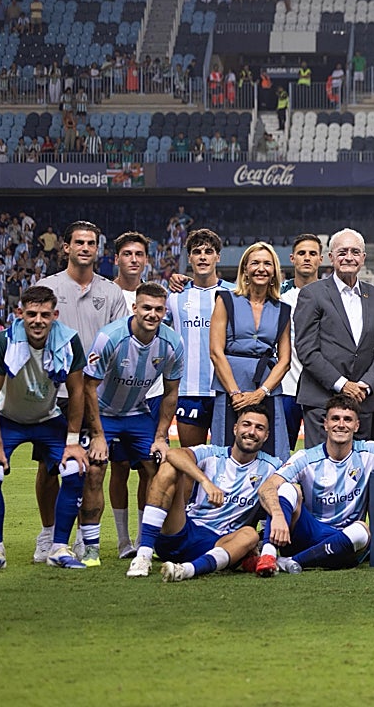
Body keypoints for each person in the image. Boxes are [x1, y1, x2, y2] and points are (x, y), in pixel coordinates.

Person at [35, 220, 129, 561]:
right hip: (53, 394)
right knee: (49, 468)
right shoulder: (47, 287)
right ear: (66, 247)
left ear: (98, 249)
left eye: (91, 243)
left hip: (94, 394)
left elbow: (122, 339)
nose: (85, 248)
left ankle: (77, 538)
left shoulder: (111, 293)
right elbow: (36, 334)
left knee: (89, 471)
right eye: (79, 242)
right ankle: (46, 535)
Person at [0, 286, 90, 571]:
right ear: (20, 314)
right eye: (31, 314)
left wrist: (74, 441)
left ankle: (58, 548)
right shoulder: (4, 341)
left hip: (47, 419)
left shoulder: (68, 341)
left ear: (54, 315)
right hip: (8, 419)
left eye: (44, 314)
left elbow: (77, 392)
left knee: (75, 469)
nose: (37, 320)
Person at [256, 395, 374, 575]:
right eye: (335, 419)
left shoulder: (368, 451)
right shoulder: (306, 458)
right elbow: (267, 487)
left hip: (345, 541)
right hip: (310, 532)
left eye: (347, 420)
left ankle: (292, 562)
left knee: (362, 530)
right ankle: (268, 556)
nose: (341, 424)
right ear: (326, 424)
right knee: (286, 489)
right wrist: (278, 516)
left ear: (356, 425)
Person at [77, 283, 183, 566]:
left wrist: (161, 436)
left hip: (137, 412)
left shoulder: (172, 343)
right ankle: (90, 546)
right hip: (102, 413)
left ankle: (145, 542)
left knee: (157, 468)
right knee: (95, 471)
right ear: (134, 308)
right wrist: (97, 435)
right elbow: (88, 387)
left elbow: (171, 393)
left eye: (158, 309)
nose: (152, 314)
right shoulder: (109, 337)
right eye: (146, 308)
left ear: (165, 311)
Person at [127, 406, 280, 581]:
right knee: (169, 467)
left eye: (259, 428)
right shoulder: (213, 454)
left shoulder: (272, 466)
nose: (251, 432)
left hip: (220, 542)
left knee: (250, 535)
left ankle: (186, 570)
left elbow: (292, 490)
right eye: (246, 425)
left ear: (266, 436)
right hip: (183, 530)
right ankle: (143, 555)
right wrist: (205, 482)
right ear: (235, 428)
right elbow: (174, 454)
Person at [294, 228, 374, 444]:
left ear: (363, 258)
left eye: (355, 252)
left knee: (358, 472)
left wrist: (364, 386)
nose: (349, 257)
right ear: (331, 257)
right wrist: (342, 384)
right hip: (321, 401)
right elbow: (307, 350)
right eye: (343, 252)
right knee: (321, 470)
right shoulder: (312, 294)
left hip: (362, 402)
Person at [209, 242, 291, 459]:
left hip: (266, 387)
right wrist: (235, 393)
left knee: (272, 454)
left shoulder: (282, 309)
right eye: (255, 263)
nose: (261, 268)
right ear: (245, 269)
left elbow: (284, 360)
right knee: (226, 451)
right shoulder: (225, 300)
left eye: (267, 263)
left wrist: (260, 393)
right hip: (229, 386)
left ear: (274, 271)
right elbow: (216, 352)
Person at [109, 230, 157, 558]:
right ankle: (122, 540)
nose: (134, 259)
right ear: (116, 258)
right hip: (112, 399)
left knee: (148, 469)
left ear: (146, 260)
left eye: (139, 254)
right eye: (127, 254)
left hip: (149, 396)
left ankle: (143, 538)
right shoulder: (106, 294)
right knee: (117, 468)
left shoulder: (156, 295)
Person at [168, 229, 235, 448]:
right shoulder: (175, 296)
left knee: (226, 459)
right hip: (188, 390)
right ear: (189, 258)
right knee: (190, 460)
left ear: (218, 256)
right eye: (197, 252)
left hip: (225, 390)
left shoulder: (234, 294)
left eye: (209, 251)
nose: (203, 256)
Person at [278, 233, 323, 451]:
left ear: (321, 260)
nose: (307, 258)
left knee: (320, 454)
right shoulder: (278, 298)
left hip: (320, 389)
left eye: (312, 253)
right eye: (302, 253)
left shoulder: (331, 297)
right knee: (281, 454)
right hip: (286, 388)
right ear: (292, 258)